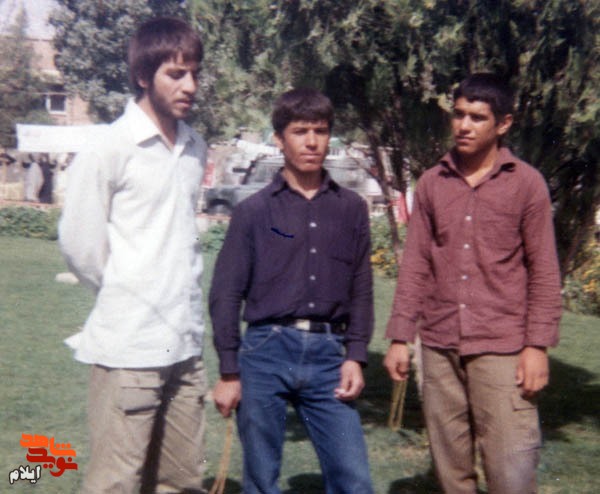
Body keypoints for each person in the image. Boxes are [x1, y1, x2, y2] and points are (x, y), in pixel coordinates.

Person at [383, 73, 562, 494]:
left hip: (502, 347)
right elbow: (415, 264)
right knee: (451, 470)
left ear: (503, 124)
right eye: (459, 114)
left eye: (477, 117)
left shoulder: (526, 183)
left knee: (510, 471)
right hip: (439, 345)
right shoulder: (432, 182)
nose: (464, 126)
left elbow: (544, 270)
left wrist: (537, 346)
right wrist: (399, 337)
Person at [59, 17, 207, 494]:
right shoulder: (108, 147)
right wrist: (127, 290)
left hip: (184, 345)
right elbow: (81, 246)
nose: (190, 86)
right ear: (143, 76)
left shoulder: (195, 148)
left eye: (194, 73)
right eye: (175, 74)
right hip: (129, 347)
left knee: (181, 482)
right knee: (116, 484)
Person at [210, 88, 374, 494]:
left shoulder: (351, 208)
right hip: (266, 352)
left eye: (321, 131)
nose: (312, 142)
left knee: (354, 479)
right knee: (261, 479)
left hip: (328, 355)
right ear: (279, 139)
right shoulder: (253, 211)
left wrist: (355, 356)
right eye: (300, 132)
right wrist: (229, 371)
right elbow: (225, 294)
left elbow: (361, 288)